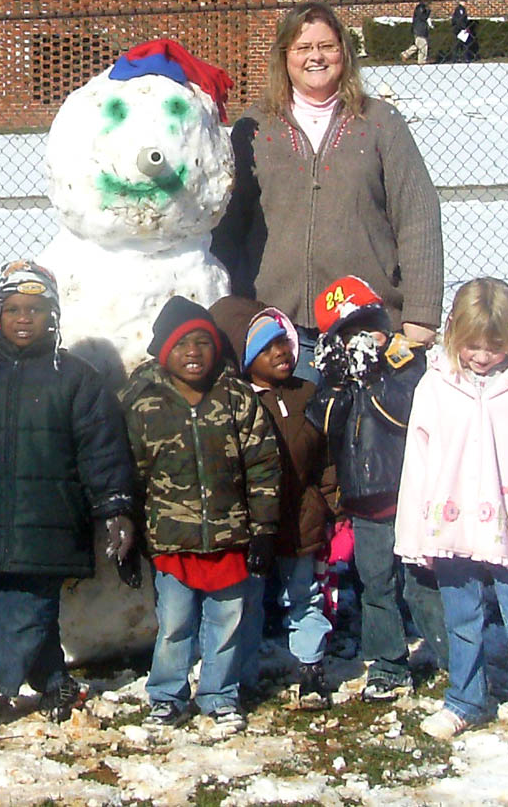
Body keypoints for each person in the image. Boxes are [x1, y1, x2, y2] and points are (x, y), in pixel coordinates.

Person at [0, 261, 137, 739]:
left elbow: (103, 452)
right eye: (14, 309)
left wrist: (117, 509)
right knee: (13, 602)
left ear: (54, 316)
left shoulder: (77, 380)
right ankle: (55, 682)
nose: (24, 319)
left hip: (53, 520)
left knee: (26, 602)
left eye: (37, 309)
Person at [395, 278, 508, 763]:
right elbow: (418, 458)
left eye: (494, 346)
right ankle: (465, 698)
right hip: (451, 525)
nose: (481, 357)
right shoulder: (435, 385)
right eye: (473, 346)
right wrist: (413, 531)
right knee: (462, 617)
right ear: (455, 335)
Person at [211, 1, 442, 384]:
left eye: (327, 46)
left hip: (367, 326)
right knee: (295, 442)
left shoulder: (382, 123)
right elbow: (228, 225)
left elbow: (418, 217)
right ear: (285, 57)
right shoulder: (254, 127)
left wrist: (421, 314)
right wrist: (230, 311)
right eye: (303, 48)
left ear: (344, 53)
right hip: (278, 329)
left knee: (363, 439)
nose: (315, 57)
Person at [122, 296, 282, 736]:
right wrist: (131, 530)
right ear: (162, 350)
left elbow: (263, 463)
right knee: (174, 626)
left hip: (230, 538)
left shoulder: (236, 398)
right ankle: (167, 695)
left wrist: (264, 528)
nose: (193, 352)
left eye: (203, 342)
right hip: (172, 540)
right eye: (182, 343)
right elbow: (129, 473)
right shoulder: (142, 403)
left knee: (226, 623)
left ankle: (219, 694)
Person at [305, 276, 448, 700]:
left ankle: (455, 655)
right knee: (375, 584)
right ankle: (388, 664)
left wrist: (374, 378)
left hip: (408, 497)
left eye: (369, 328)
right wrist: (335, 383)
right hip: (364, 503)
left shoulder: (406, 367)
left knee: (421, 585)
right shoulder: (339, 381)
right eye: (348, 336)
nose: (362, 342)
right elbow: (324, 426)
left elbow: (404, 416)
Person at [210, 296, 337, 710]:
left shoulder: (308, 393)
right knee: (247, 603)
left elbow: (327, 456)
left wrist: (330, 503)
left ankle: (311, 668)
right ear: (246, 359)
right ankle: (241, 676)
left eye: (282, 341)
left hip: (303, 519)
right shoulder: (238, 403)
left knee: (305, 595)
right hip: (254, 526)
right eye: (266, 348)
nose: (281, 352)